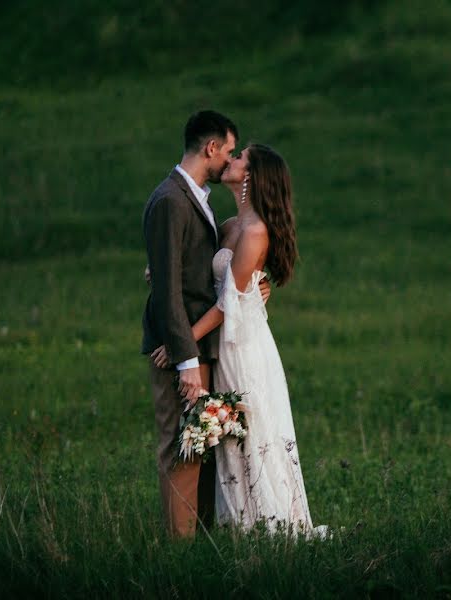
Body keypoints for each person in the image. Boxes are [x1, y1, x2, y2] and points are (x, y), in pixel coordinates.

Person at [151, 143, 326, 537]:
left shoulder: (256, 231)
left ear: (251, 175)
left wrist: (183, 343)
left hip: (242, 346)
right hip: (224, 343)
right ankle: (234, 524)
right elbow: (197, 269)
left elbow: (229, 304)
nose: (230, 160)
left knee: (247, 433)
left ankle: (264, 526)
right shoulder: (230, 225)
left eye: (240, 156)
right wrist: (159, 268)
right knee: (227, 436)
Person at [142, 110, 268, 538]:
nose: (229, 160)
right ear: (211, 148)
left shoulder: (197, 199)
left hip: (208, 347)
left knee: (205, 447)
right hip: (182, 351)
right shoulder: (170, 200)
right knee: (182, 449)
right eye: (229, 151)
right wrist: (186, 360)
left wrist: (254, 289)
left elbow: (188, 272)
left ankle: (204, 542)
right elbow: (167, 290)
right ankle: (180, 555)